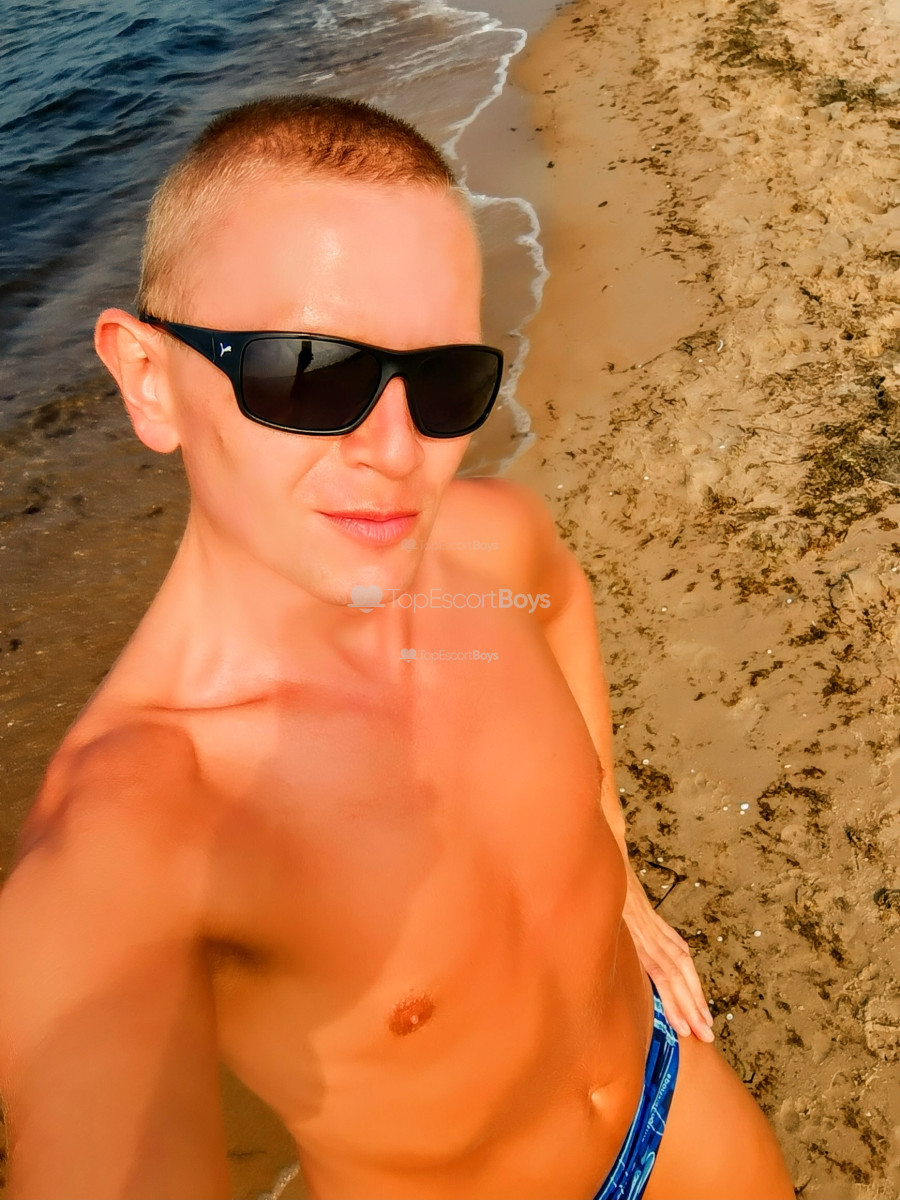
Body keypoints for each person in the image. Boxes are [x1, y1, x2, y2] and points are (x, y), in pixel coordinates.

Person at [0, 95, 794, 1200]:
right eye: (310, 373)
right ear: (147, 378)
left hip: (680, 1104)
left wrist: (620, 883)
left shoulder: (487, 548)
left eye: (442, 380)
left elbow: (560, 602)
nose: (395, 448)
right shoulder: (138, 835)